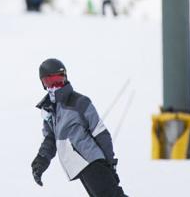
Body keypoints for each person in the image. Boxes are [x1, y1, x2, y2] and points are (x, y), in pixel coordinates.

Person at [30, 59, 127, 197]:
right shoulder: (50, 110)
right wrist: (41, 161)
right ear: (43, 84)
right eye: (50, 82)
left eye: (59, 80)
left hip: (92, 162)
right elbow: (50, 140)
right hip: (80, 166)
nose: (55, 86)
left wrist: (110, 163)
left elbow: (101, 133)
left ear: (65, 78)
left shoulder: (79, 102)